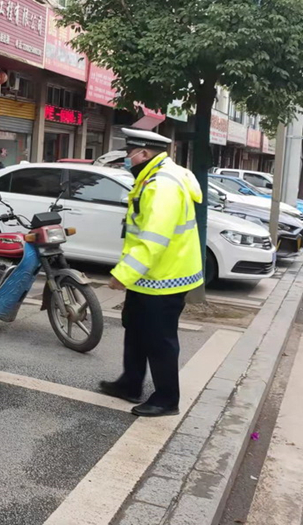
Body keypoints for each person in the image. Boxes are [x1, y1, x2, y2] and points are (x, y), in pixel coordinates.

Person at [100, 128, 203, 418]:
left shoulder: (162, 186)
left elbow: (153, 238)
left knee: (159, 338)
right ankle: (130, 383)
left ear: (144, 154)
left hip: (164, 278)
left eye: (129, 154)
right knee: (135, 328)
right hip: (151, 278)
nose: (126, 160)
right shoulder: (154, 177)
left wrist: (123, 274)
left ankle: (167, 399)